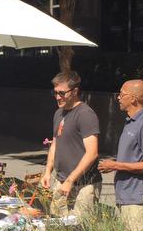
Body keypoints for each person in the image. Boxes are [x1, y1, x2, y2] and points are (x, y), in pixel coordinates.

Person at [99, 79, 143, 231]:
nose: (118, 97)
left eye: (122, 94)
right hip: (127, 197)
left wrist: (115, 165)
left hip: (139, 200)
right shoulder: (132, 121)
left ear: (134, 98)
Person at [42, 71, 101, 217]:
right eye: (55, 92)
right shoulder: (59, 113)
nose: (57, 97)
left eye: (62, 93)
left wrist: (71, 180)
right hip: (61, 180)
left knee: (78, 230)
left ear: (75, 91)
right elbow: (55, 144)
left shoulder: (85, 114)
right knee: (56, 226)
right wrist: (48, 172)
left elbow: (92, 153)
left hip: (83, 185)